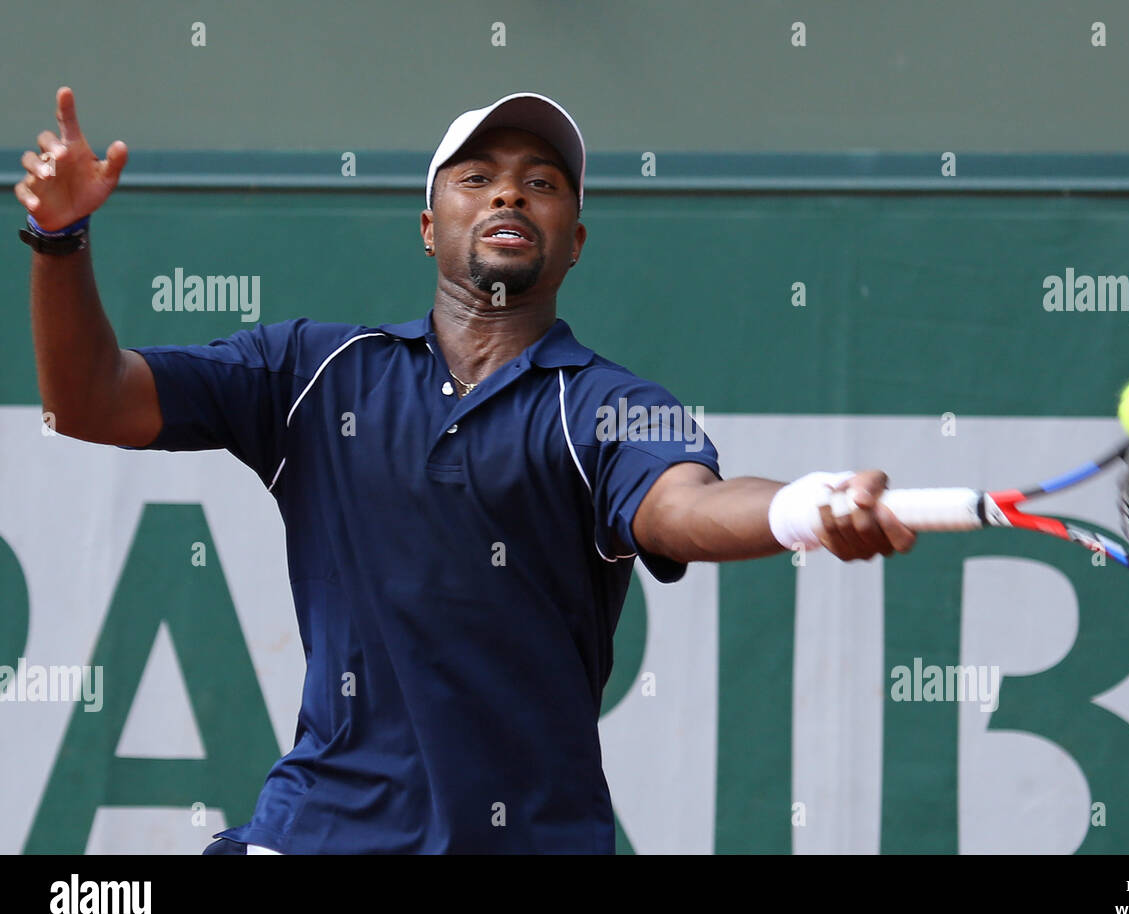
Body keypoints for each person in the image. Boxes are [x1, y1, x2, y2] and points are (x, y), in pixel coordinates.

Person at [15, 87, 916, 854]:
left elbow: (684, 505)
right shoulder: (313, 372)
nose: (509, 197)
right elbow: (91, 401)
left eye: (542, 183)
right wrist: (58, 239)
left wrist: (803, 506)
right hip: (318, 833)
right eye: (477, 179)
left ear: (575, 240)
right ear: (428, 226)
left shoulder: (610, 405)